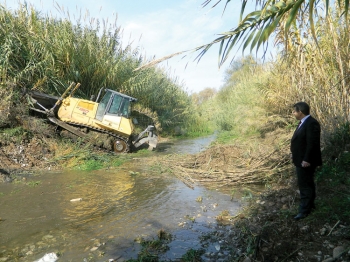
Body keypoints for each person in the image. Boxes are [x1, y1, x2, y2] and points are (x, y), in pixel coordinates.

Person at [290, 102, 322, 220]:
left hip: (306, 161)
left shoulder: (311, 123)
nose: (293, 113)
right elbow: (300, 142)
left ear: (300, 112)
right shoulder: (303, 123)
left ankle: (304, 211)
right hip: (301, 159)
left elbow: (312, 143)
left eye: (294, 111)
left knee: (305, 185)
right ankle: (310, 206)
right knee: (307, 183)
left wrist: (307, 159)